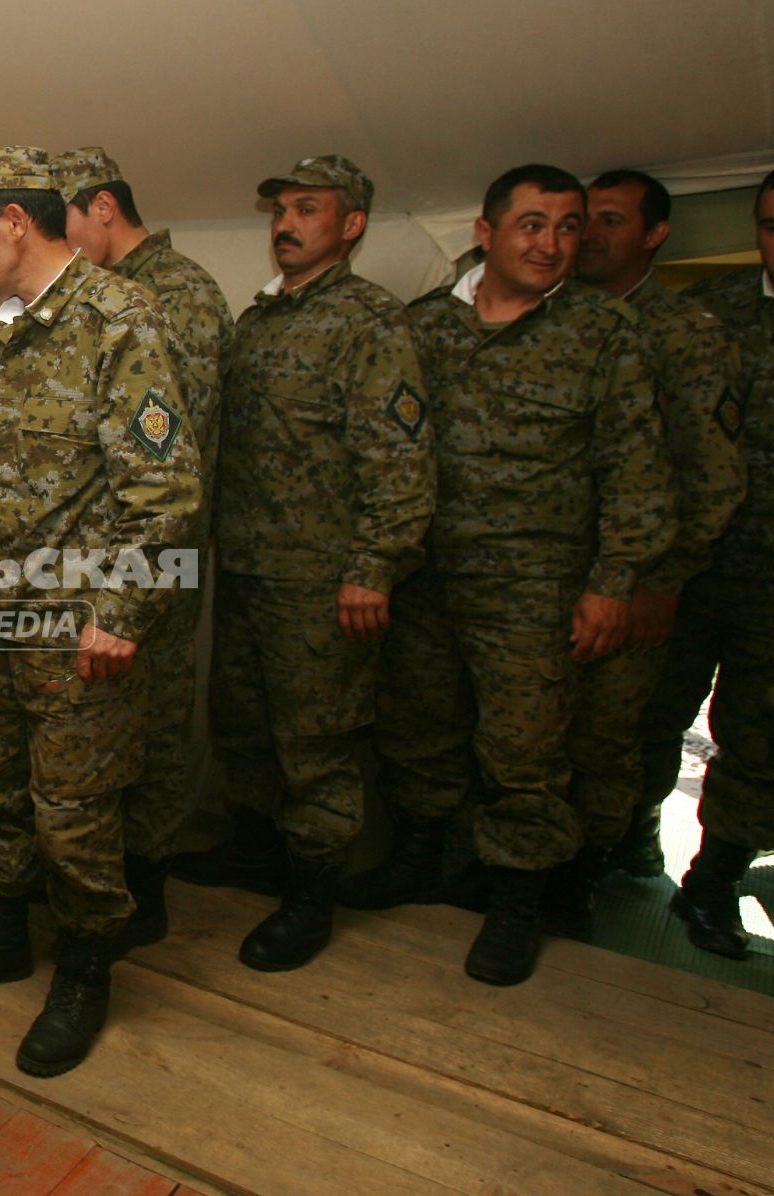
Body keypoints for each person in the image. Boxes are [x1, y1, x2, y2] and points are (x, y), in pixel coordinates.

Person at [0, 146, 203, 1077]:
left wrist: (120, 612)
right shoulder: (12, 326)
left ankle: (83, 973)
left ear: (15, 221)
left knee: (73, 815)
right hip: (0, 614)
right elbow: (0, 477)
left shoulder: (123, 322)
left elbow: (165, 490)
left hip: (77, 627)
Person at [347, 164, 673, 986]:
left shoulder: (603, 335)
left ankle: (518, 903)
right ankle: (421, 860)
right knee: (417, 726)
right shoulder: (423, 328)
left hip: (536, 587)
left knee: (525, 752)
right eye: (532, 225)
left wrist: (612, 583)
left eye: (569, 228)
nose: (554, 244)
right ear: (486, 234)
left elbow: (636, 470)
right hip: (426, 577)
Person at [200, 155, 434, 971]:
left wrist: (374, 565)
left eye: (308, 208)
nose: (287, 224)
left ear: (353, 224)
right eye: (281, 210)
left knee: (317, 744)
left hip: (322, 581)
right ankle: (257, 853)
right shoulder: (261, 319)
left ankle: (311, 897)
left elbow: (400, 460)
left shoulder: (371, 322)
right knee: (244, 725)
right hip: (249, 568)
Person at [558, 170, 745, 932]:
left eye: (608, 220)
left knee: (610, 736)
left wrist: (660, 580)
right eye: (580, 221)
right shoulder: (554, 320)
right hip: (542, 573)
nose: (587, 237)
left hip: (631, 578)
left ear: (653, 235)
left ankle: (579, 879)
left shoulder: (684, 332)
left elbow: (712, 472)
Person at [53, 146, 231, 939]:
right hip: (107, 551)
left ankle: (146, 887)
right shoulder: (98, 296)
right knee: (106, 724)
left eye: (64, 222)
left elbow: (169, 450)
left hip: (159, 548)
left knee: (153, 721)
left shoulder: (175, 294)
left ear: (100, 207)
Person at [636, 169, 774, 957]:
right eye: (767, 224)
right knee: (650, 712)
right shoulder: (712, 316)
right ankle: (626, 844)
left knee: (760, 734)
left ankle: (715, 877)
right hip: (692, 566)